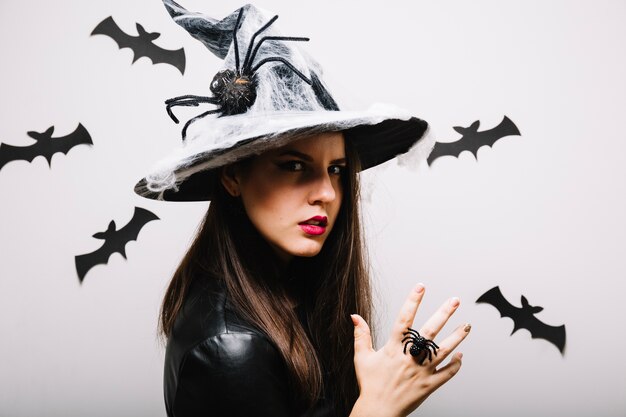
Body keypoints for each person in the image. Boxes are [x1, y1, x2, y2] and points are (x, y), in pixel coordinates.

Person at [134, 2, 471, 416]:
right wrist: (379, 408)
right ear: (233, 176)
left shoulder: (291, 291)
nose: (327, 193)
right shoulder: (231, 348)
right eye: (294, 166)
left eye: (337, 169)